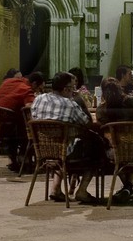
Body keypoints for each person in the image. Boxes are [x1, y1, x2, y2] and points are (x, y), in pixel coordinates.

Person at [31, 72, 98, 203]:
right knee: (96, 147)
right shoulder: (70, 105)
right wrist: (81, 102)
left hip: (43, 149)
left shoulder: (39, 99)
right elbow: (87, 123)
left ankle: (55, 189)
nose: (74, 90)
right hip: (67, 152)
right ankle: (82, 190)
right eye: (73, 87)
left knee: (62, 145)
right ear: (66, 89)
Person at [96, 77, 133, 203]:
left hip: (116, 153)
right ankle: (128, 187)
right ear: (120, 88)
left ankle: (127, 188)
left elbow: (103, 133)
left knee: (115, 155)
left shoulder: (101, 110)